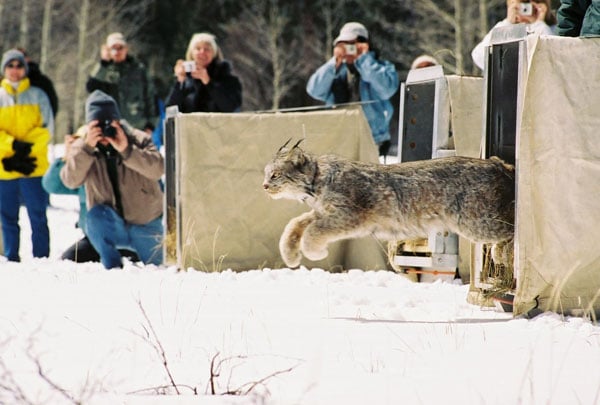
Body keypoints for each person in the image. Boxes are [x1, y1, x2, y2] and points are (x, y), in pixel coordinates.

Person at [60, 90, 164, 269]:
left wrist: (126, 149)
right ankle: (112, 267)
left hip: (145, 224)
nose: (104, 131)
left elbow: (158, 169)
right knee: (94, 217)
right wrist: (87, 149)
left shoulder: (138, 140)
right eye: (97, 125)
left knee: (158, 269)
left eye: (109, 124)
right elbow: (69, 180)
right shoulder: (83, 146)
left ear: (118, 121)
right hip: (110, 225)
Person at [42, 127, 139, 263]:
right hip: (94, 237)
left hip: (128, 235)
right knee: (68, 260)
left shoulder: (124, 164)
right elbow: (52, 185)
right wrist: (68, 158)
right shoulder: (83, 172)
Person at [306, 22, 399, 157]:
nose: (349, 49)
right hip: (339, 138)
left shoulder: (382, 67)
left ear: (364, 44)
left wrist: (364, 59)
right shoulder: (335, 72)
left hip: (374, 139)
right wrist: (334, 63)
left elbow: (386, 89)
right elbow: (314, 90)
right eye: (343, 45)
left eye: (352, 44)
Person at [0, 49, 53, 262]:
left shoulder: (38, 95)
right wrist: (12, 147)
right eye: (10, 66)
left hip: (34, 166)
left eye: (19, 65)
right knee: (7, 217)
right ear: (4, 69)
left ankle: (41, 259)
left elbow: (47, 128)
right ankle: (11, 257)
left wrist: (26, 149)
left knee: (38, 216)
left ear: (25, 69)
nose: (14, 70)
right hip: (5, 167)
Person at [86, 32, 158, 132]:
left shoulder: (139, 70)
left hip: (137, 128)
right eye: (113, 48)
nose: (117, 52)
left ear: (126, 49)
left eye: (120, 48)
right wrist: (103, 63)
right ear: (107, 50)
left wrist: (151, 125)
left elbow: (151, 97)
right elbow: (91, 88)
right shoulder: (103, 71)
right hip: (111, 128)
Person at [165, 32, 242, 113]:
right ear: (191, 53)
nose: (202, 52)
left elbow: (231, 108)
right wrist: (180, 81)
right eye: (198, 48)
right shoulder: (186, 80)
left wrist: (208, 82)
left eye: (207, 49)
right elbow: (170, 110)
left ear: (214, 53)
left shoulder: (228, 78)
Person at [471, 0, 557, 70]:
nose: (527, 9)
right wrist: (507, 24)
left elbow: (554, 60)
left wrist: (539, 24)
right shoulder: (507, 30)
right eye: (523, 3)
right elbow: (480, 57)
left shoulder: (552, 30)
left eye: (533, 3)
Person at [17, 47, 59, 118]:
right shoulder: (3, 84)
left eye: (21, 57)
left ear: (27, 59)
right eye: (11, 64)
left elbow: (51, 108)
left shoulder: (42, 82)